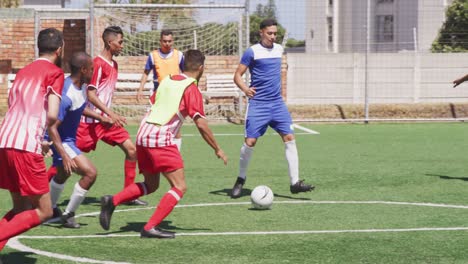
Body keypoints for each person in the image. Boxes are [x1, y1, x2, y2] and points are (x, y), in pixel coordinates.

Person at [99, 49, 228, 239]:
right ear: (201, 68)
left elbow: (155, 105)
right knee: (179, 186)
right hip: (160, 137)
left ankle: (113, 200)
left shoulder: (167, 81)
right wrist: (217, 148)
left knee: (151, 185)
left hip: (143, 135)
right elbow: (201, 123)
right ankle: (150, 227)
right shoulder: (191, 88)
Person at [46, 26, 146, 206]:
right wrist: (109, 113)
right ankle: (42, 192)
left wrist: (109, 116)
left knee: (131, 151)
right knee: (64, 161)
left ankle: (129, 195)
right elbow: (91, 94)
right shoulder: (97, 64)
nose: (122, 46)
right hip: (89, 123)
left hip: (107, 123)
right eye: (120, 42)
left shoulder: (114, 64)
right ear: (110, 42)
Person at [0, 28, 73, 251]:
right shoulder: (55, 73)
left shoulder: (23, 72)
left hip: (5, 141)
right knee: (44, 210)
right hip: (25, 146)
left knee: (21, 209)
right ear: (60, 49)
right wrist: (42, 136)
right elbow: (52, 114)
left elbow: (14, 106)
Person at [230, 18, 314, 199]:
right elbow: (237, 75)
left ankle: (295, 183)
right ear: (261, 32)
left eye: (275, 33)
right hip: (258, 105)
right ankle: (240, 179)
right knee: (250, 142)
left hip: (277, 104)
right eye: (270, 33)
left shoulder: (278, 50)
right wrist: (245, 89)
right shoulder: (252, 52)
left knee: (290, 138)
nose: (273, 37)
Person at [44, 52, 114, 228]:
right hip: (62, 141)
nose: (93, 71)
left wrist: (100, 117)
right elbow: (52, 126)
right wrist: (62, 153)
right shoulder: (66, 94)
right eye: (91, 68)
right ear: (83, 70)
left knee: (63, 174)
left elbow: (78, 108)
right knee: (90, 173)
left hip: (68, 140)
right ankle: (68, 215)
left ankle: (49, 211)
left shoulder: (81, 87)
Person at [136, 29, 185, 150]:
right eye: (164, 41)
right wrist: (140, 90)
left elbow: (185, 74)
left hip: (175, 96)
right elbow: (146, 73)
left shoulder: (179, 55)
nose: (167, 44)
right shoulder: (153, 56)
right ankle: (155, 149)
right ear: (160, 41)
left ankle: (176, 154)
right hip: (158, 96)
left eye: (169, 41)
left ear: (172, 41)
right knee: (153, 123)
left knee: (175, 126)